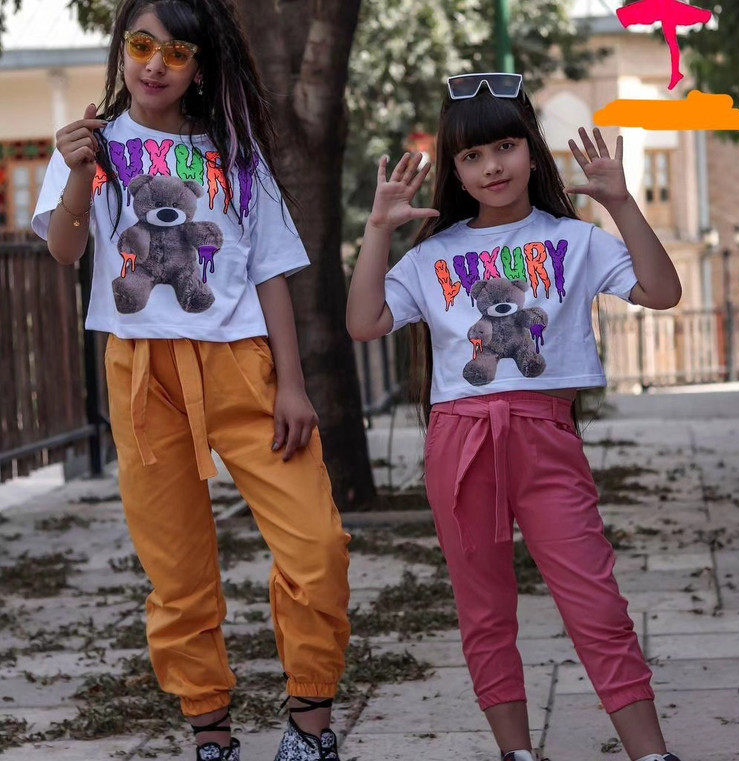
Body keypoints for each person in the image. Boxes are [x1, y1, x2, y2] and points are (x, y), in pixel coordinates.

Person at [32, 2, 350, 760]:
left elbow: (271, 270)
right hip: (141, 372)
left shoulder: (234, 152)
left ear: (199, 68)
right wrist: (76, 174)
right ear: (122, 49)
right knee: (176, 569)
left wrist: (293, 384)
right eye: (142, 44)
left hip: (242, 364)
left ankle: (310, 728)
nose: (155, 64)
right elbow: (65, 251)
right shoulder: (93, 145)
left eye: (177, 52)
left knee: (317, 546)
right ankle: (212, 733)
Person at [346, 72, 683, 761]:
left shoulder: (574, 240)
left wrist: (621, 202)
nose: (492, 166)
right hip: (461, 441)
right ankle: (516, 753)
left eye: (505, 146)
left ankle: (652, 754)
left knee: (596, 602)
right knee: (484, 608)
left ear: (532, 148)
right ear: (456, 170)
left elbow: (661, 290)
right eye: (472, 155)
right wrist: (378, 230)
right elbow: (365, 321)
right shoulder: (432, 255)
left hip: (545, 435)